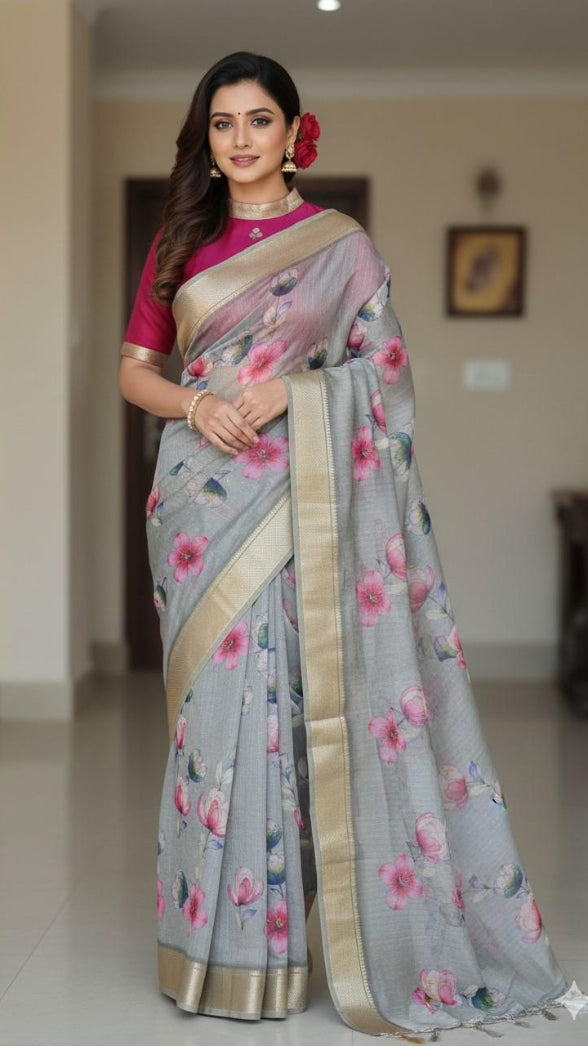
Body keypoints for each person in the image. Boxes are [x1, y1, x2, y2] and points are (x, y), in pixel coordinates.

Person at [118, 51, 570, 1042]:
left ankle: (288, 950)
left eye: (258, 119)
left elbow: (387, 373)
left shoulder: (342, 246)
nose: (240, 139)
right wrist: (195, 404)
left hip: (305, 495)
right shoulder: (180, 240)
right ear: (207, 139)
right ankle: (212, 954)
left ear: (293, 130)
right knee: (215, 723)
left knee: (292, 709)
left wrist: (294, 392)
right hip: (199, 508)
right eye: (223, 123)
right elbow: (135, 370)